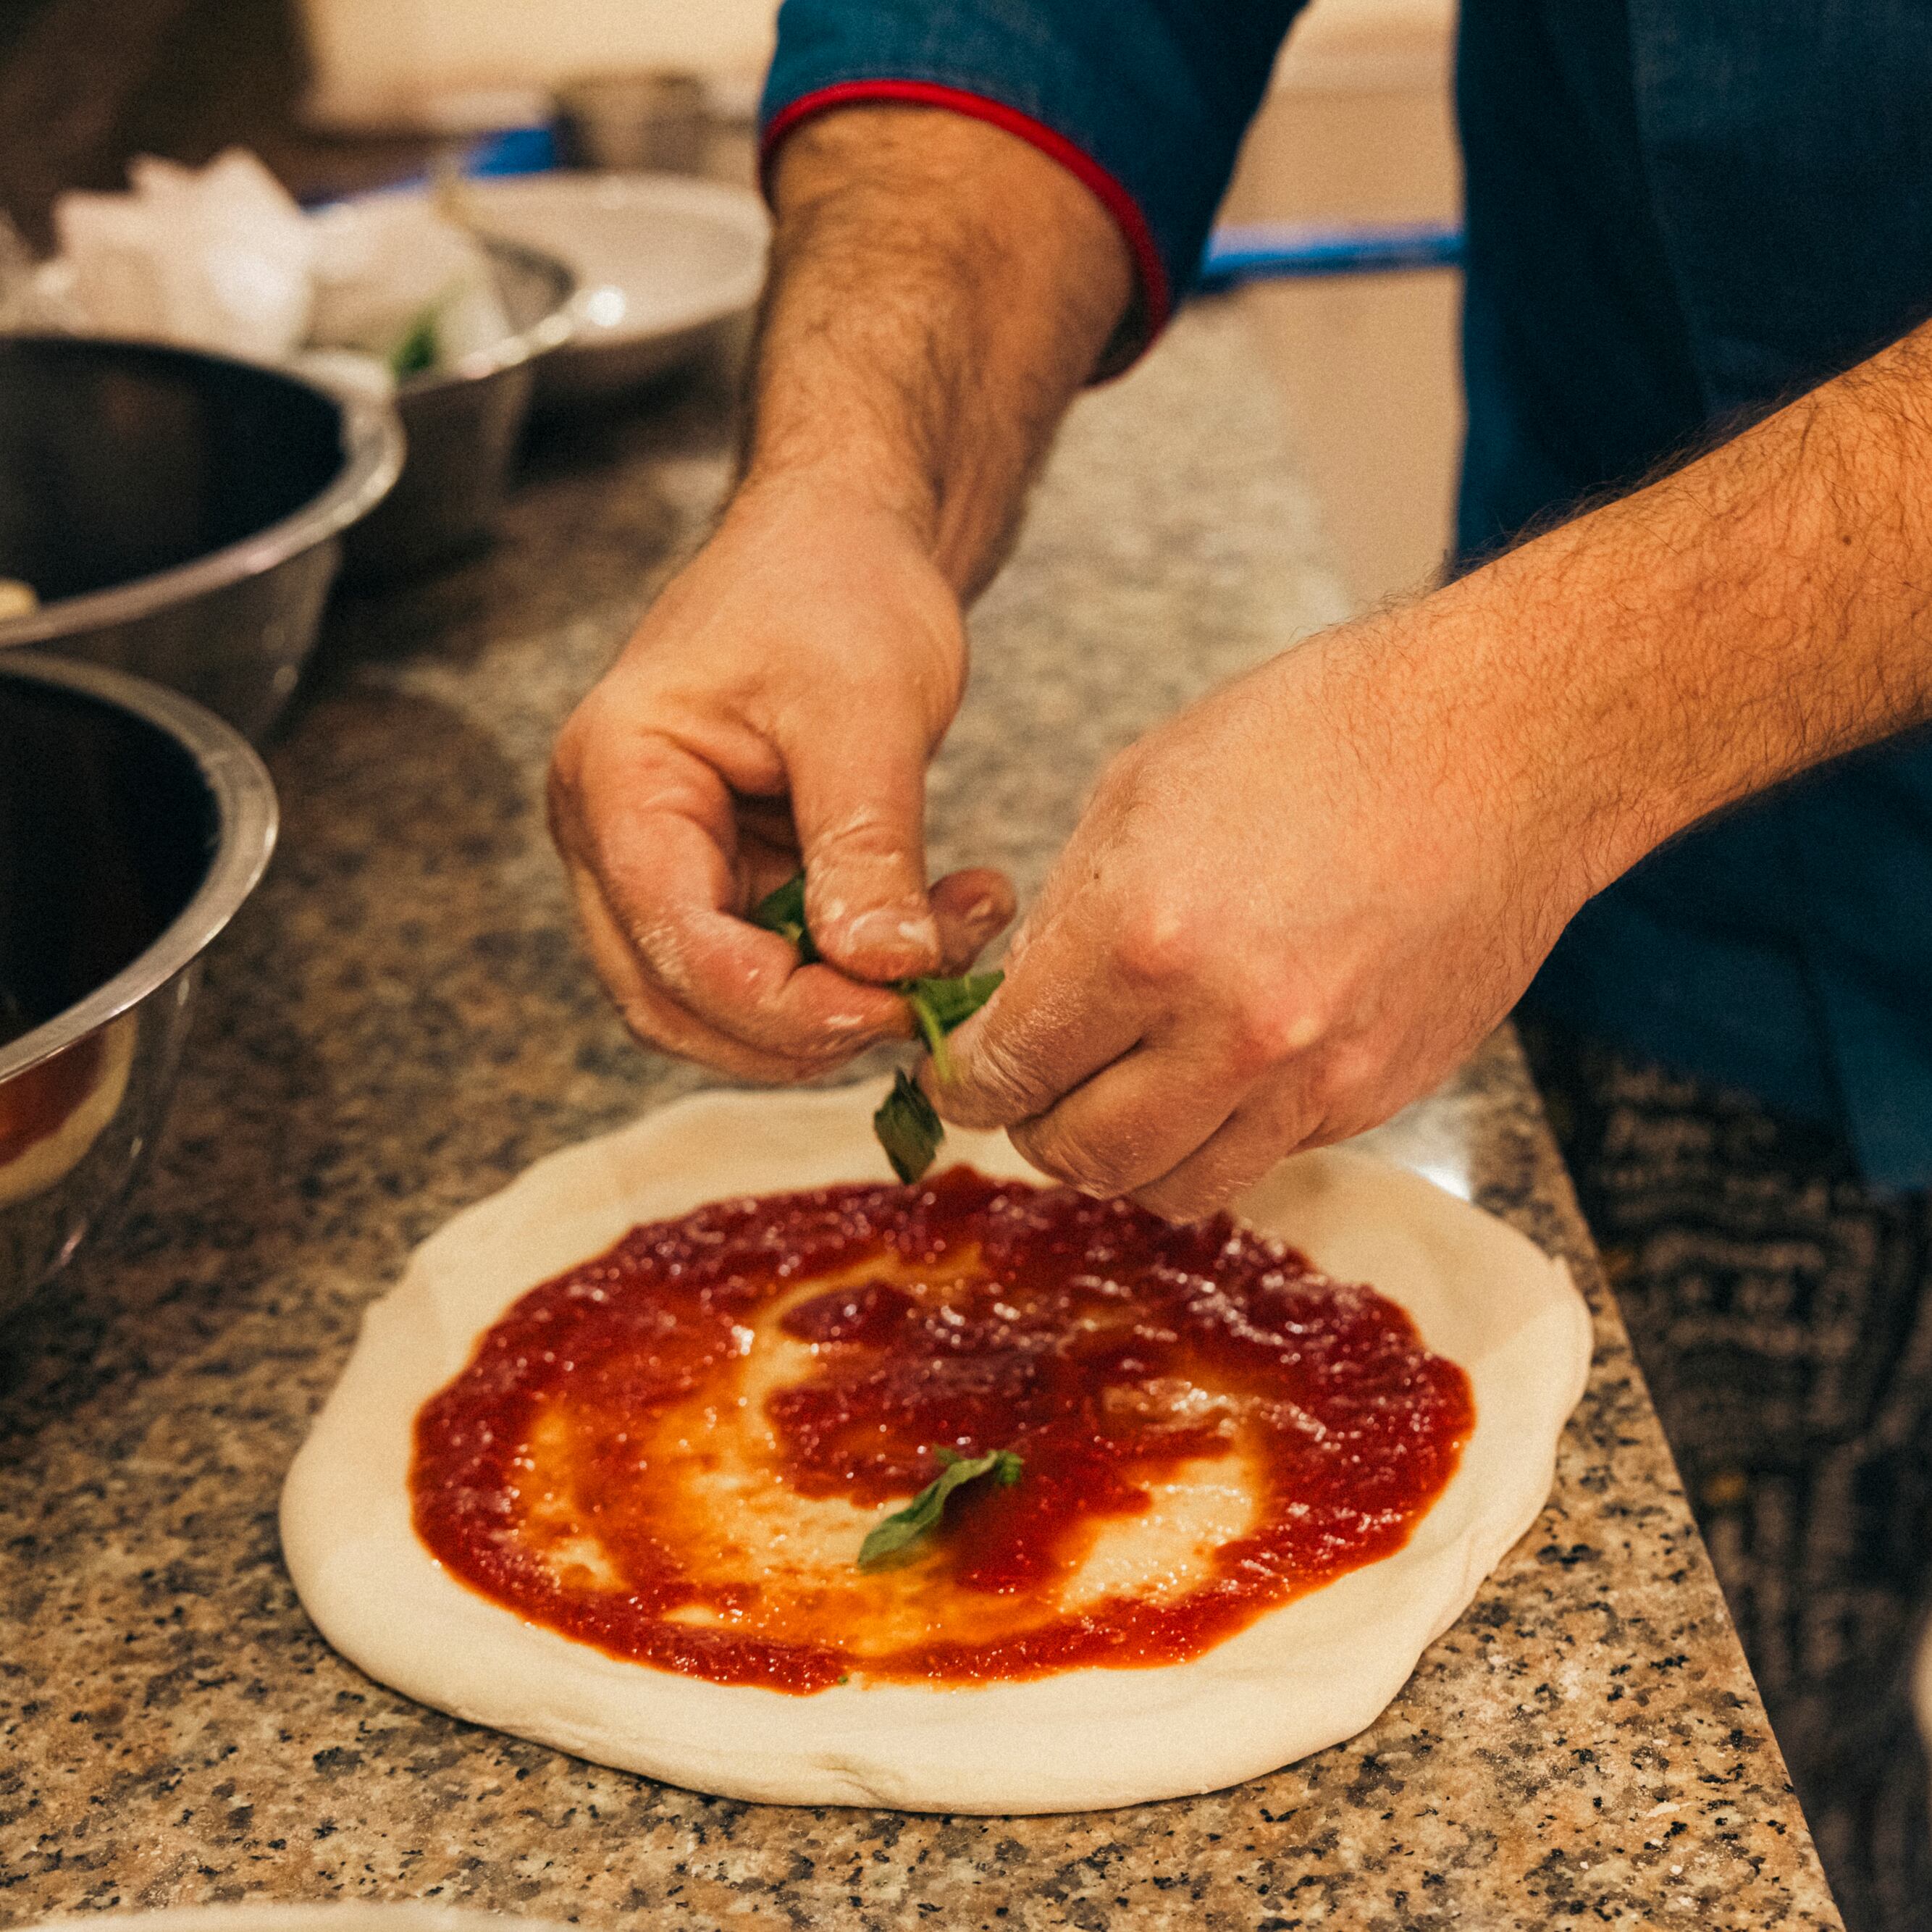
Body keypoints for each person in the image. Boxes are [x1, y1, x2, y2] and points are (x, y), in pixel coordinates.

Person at [547, 4, 1932, 1921]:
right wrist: (854, 478)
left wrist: (1545, 716)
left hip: (1613, 783)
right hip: (1698, 939)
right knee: (1756, 1784)